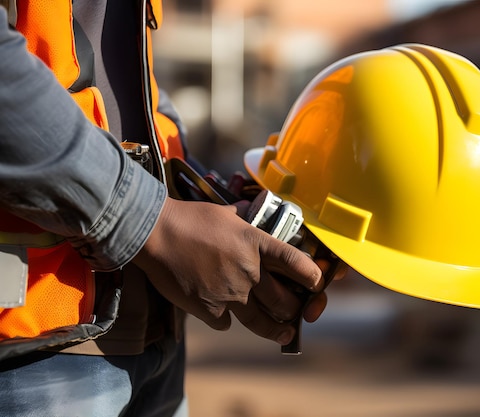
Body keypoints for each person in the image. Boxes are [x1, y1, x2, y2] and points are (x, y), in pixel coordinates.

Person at [0, 2, 332, 416]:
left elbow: (129, 89)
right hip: (32, 351)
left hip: (154, 336)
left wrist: (202, 201)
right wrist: (152, 222)